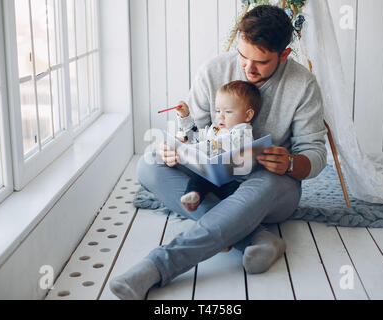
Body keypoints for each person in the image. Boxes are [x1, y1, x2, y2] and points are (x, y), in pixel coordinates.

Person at [110, 4, 327, 300]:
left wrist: (290, 162)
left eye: (261, 62)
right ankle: (256, 238)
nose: (248, 69)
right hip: (216, 178)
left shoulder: (302, 85)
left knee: (260, 185)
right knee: (149, 164)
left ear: (284, 55)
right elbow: (195, 132)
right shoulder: (214, 70)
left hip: (271, 184)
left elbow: (314, 155)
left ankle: (156, 266)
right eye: (242, 56)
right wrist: (176, 149)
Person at [177, 80, 261, 212]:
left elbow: (217, 145)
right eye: (217, 111)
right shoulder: (216, 129)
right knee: (198, 179)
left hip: (234, 180)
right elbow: (196, 137)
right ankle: (194, 196)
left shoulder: (243, 132)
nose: (220, 117)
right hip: (213, 175)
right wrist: (185, 117)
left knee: (237, 197)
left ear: (247, 115)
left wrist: (192, 149)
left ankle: (231, 212)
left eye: (228, 112)